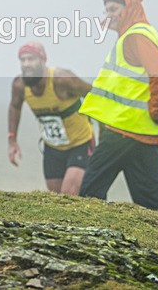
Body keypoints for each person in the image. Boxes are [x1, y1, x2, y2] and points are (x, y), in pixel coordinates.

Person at [78, 0, 158, 212]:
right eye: (106, 11)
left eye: (114, 9)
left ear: (130, 6)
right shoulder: (137, 34)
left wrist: (157, 110)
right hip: (142, 133)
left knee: (89, 194)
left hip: (121, 131)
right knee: (154, 205)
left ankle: (92, 232)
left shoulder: (135, 37)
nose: (108, 15)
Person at [7, 42, 94, 195]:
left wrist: (103, 128)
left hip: (79, 143)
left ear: (43, 60)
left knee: (68, 194)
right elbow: (15, 107)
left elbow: (94, 95)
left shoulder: (62, 79)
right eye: (22, 60)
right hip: (52, 147)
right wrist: (12, 140)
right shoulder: (19, 85)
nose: (26, 64)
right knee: (55, 197)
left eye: (31, 59)